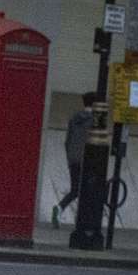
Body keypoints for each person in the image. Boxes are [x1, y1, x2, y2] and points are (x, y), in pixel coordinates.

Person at [53, 92, 99, 227]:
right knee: (89, 190)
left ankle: (60, 207)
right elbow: (95, 142)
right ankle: (84, 221)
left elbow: (67, 141)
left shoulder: (74, 118)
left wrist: (70, 157)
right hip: (87, 159)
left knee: (75, 189)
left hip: (73, 158)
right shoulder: (95, 119)